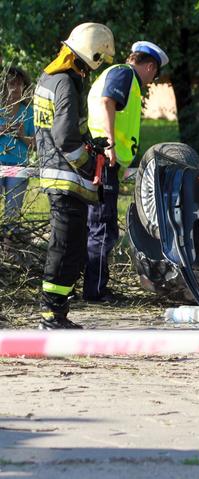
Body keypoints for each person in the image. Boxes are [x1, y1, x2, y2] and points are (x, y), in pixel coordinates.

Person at [33, 23, 115, 329]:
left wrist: (88, 141)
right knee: (66, 247)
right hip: (65, 178)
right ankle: (50, 314)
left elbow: (61, 128)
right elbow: (65, 137)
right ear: (88, 56)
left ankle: (56, 313)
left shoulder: (49, 77)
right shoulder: (65, 83)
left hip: (55, 173)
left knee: (71, 247)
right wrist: (87, 161)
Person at [84, 41, 168, 303]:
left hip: (106, 160)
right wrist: (109, 143)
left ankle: (95, 286)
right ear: (150, 66)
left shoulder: (119, 74)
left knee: (100, 224)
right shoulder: (125, 74)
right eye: (154, 74)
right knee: (103, 226)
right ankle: (96, 291)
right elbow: (108, 101)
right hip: (104, 159)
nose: (152, 80)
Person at [0, 67, 34, 232]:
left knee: (12, 212)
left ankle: (10, 247)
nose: (15, 88)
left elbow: (35, 144)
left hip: (18, 167)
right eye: (11, 84)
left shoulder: (29, 112)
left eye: (20, 84)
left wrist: (21, 135)